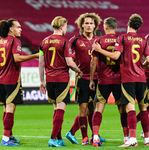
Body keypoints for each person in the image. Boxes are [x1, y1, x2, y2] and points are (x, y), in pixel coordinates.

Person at [92, 14, 149, 147]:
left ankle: (130, 138)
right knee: (142, 107)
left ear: (128, 24)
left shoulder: (122, 38)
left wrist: (99, 50)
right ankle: (146, 138)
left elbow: (115, 56)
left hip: (124, 78)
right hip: (139, 78)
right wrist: (139, 66)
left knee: (127, 107)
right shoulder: (143, 40)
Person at [0, 18, 39, 146]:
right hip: (12, 80)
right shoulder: (15, 41)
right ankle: (5, 139)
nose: (20, 29)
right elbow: (17, 58)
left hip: (1, 80)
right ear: (11, 29)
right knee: (10, 109)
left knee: (6, 109)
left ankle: (9, 135)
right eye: (18, 27)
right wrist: (35, 55)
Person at [39, 16, 83, 147]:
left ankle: (58, 138)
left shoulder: (44, 42)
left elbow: (41, 63)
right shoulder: (64, 41)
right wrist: (79, 71)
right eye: (66, 27)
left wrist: (42, 81)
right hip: (62, 78)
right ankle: (53, 138)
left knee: (56, 109)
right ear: (62, 27)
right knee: (61, 109)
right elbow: (70, 63)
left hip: (49, 78)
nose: (66, 29)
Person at [65, 13, 102, 146]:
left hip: (99, 79)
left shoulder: (99, 40)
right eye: (86, 23)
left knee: (94, 109)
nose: (89, 25)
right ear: (82, 25)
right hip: (82, 79)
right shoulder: (74, 40)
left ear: (95, 25)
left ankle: (94, 135)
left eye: (91, 23)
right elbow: (68, 57)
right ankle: (84, 137)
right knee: (83, 108)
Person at [90, 17, 128, 146]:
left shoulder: (98, 41)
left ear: (105, 27)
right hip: (119, 80)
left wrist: (91, 79)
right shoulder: (121, 39)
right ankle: (126, 137)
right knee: (122, 109)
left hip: (103, 80)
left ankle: (95, 137)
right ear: (115, 27)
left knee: (99, 109)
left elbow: (93, 62)